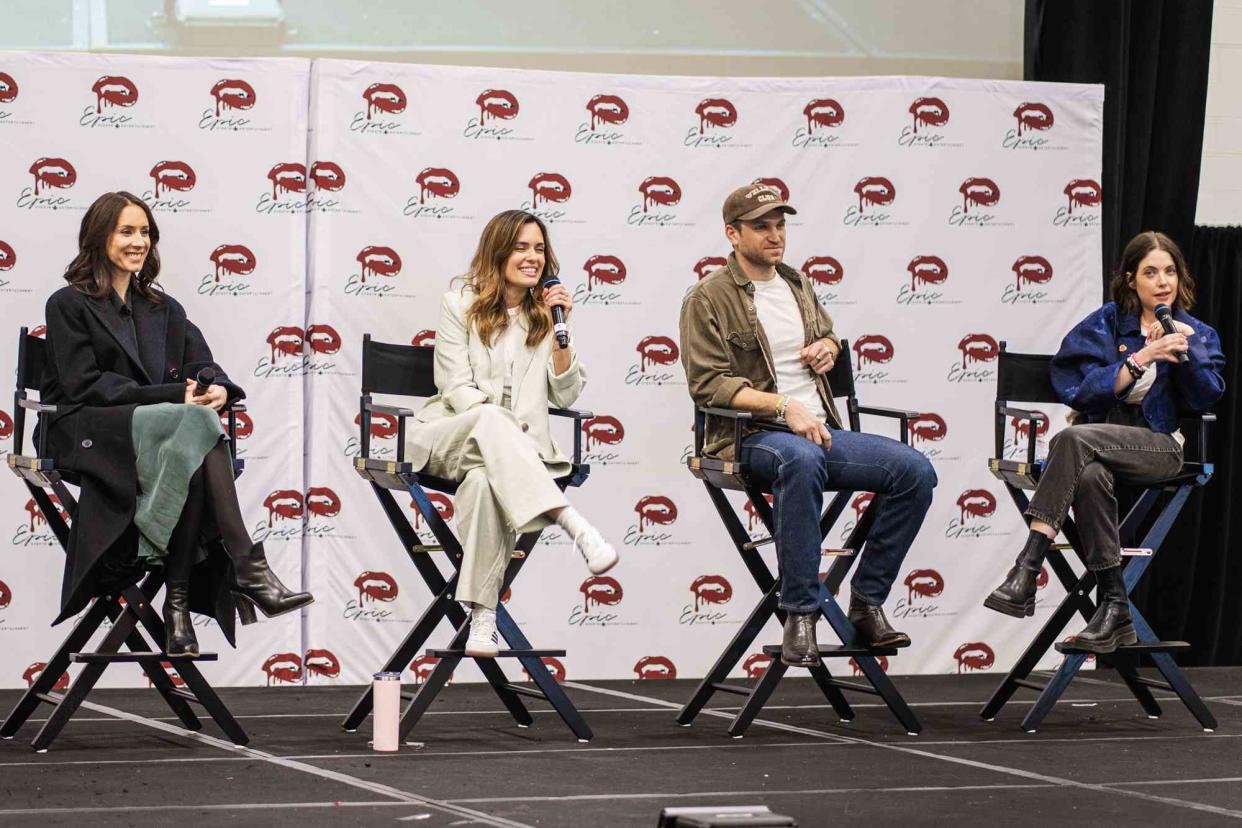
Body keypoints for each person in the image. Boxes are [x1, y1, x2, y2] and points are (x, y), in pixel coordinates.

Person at [40, 191, 313, 658]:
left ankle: (180, 606)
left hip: (165, 436)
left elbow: (205, 365)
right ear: (99, 236)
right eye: (127, 231)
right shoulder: (68, 303)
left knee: (194, 437)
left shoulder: (165, 308)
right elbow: (84, 385)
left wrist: (220, 389)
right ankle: (242, 569)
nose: (139, 241)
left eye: (145, 232)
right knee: (194, 425)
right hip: (88, 433)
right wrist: (174, 397)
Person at [679, 182, 937, 667]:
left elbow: (826, 336)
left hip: (818, 431)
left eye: (780, 225)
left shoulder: (797, 284)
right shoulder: (707, 298)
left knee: (914, 471)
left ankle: (866, 603)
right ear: (732, 234)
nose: (775, 235)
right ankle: (800, 611)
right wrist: (783, 408)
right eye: (761, 226)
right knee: (800, 456)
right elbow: (708, 385)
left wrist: (829, 348)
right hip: (747, 439)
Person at [985, 231, 1225, 653]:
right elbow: (1076, 389)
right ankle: (1115, 606)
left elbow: (1208, 396)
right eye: (1151, 272)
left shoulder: (1196, 331)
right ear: (1131, 278)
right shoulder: (1107, 322)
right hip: (1099, 444)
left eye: (1169, 271)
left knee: (1072, 439)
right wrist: (1141, 358)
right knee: (1090, 473)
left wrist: (1188, 352)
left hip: (1160, 446)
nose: (1162, 281)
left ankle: (1026, 569)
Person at [406, 209, 618, 657]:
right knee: (490, 421)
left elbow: (564, 394)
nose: (533, 257)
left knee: (484, 484)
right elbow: (455, 386)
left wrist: (562, 332)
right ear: (498, 251)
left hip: (505, 464)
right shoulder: (459, 303)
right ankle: (570, 521)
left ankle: (482, 617)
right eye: (521, 247)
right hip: (448, 438)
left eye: (539, 248)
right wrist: (501, 429)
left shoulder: (547, 315)